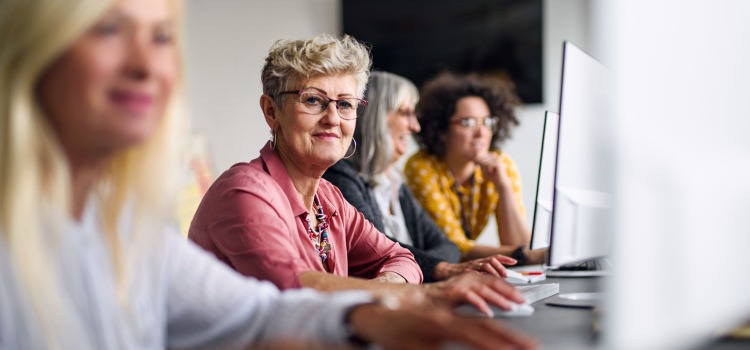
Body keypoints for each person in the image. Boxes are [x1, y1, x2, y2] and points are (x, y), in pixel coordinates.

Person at [0, 0, 537, 349]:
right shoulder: (243, 190)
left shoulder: (123, 228)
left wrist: (381, 306)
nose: (147, 64)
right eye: (110, 29)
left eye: (162, 37)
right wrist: (405, 298)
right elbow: (287, 289)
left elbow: (261, 311)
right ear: (271, 111)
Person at [188, 34, 527, 316]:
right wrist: (424, 295)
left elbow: (400, 256)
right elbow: (296, 288)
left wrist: (389, 287)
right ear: (271, 111)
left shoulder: (328, 197)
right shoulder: (244, 192)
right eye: (313, 100)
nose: (333, 118)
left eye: (346, 104)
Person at [323, 71, 518, 282]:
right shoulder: (341, 178)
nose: (415, 126)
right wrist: (437, 267)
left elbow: (448, 247)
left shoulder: (394, 182)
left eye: (487, 122)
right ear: (375, 118)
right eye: (405, 113)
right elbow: (379, 250)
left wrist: (416, 264)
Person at [404, 72, 547, 264]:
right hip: (426, 270)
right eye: (468, 123)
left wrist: (503, 188)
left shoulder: (501, 165)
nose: (481, 132)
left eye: (487, 122)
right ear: (442, 129)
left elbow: (520, 245)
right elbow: (454, 245)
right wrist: (534, 255)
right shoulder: (421, 167)